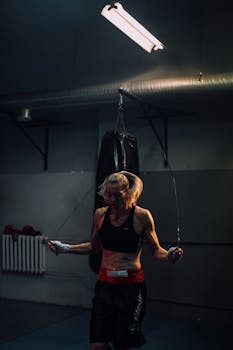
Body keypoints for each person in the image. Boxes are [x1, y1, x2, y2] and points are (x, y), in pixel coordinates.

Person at [48, 171, 183, 350]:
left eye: (117, 195)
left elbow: (156, 250)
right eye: (108, 194)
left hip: (131, 290)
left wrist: (169, 255)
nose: (111, 199)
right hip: (105, 288)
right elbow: (94, 247)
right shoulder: (100, 215)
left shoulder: (142, 216)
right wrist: (64, 248)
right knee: (97, 345)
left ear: (127, 192)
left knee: (122, 344)